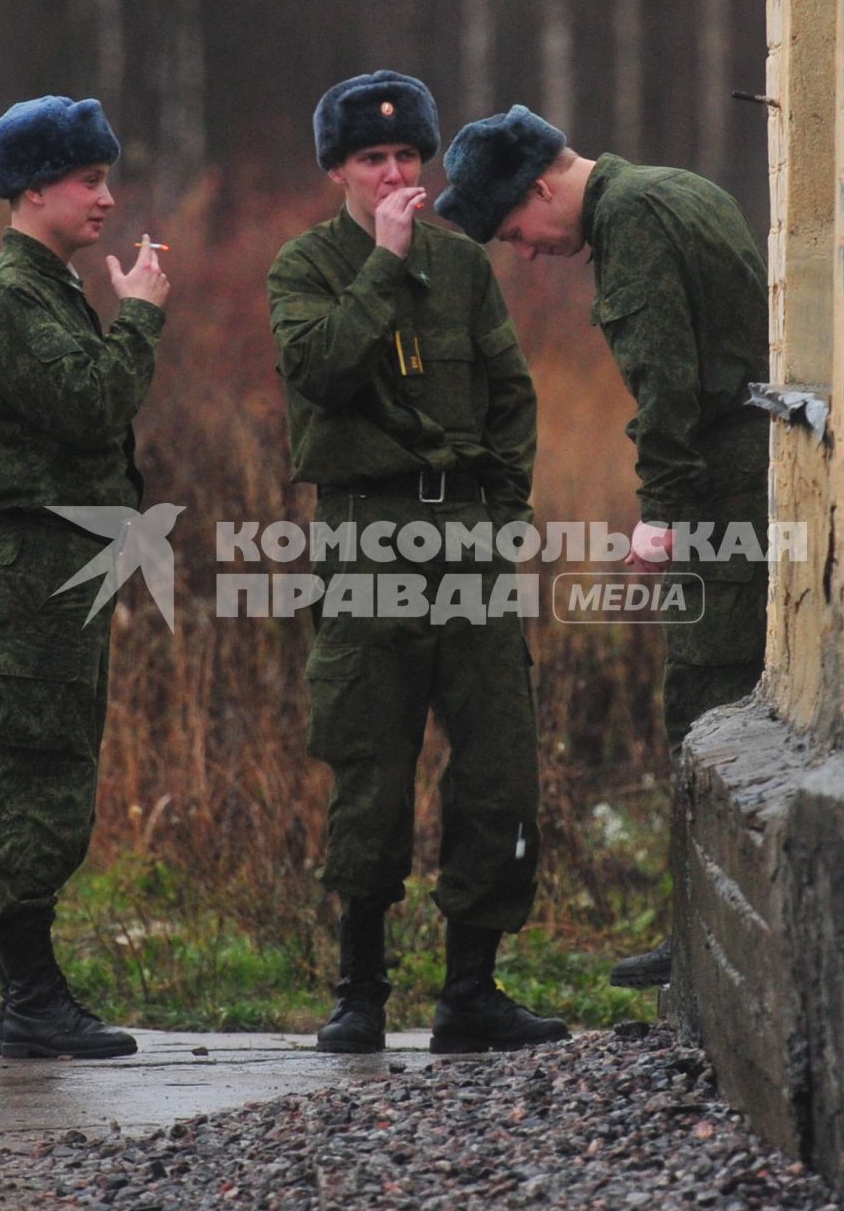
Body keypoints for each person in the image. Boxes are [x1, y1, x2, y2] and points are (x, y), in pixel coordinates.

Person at [435, 106, 770, 990]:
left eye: (517, 229)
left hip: (716, 490)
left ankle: (702, 942)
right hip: (740, 473)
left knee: (703, 702)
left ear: (543, 187)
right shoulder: (676, 188)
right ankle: (701, 932)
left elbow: (667, 371)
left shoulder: (632, 222)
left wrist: (660, 508)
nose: (527, 251)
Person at [267, 70, 567, 1055]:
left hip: (466, 539)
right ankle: (360, 990)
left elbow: (510, 396)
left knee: (495, 764)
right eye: (372, 158)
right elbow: (322, 369)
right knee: (370, 758)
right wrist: (385, 265)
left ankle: (471, 989)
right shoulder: (307, 267)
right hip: (368, 532)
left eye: (407, 155)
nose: (395, 173)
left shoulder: (464, 266)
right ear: (338, 171)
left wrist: (506, 515)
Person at [0, 95, 169, 1059]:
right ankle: (28, 998)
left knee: (58, 764)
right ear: (34, 189)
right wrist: (144, 320)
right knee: (34, 767)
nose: (106, 198)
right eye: (88, 179)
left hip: (67, 555)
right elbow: (89, 404)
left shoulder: (49, 288)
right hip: (37, 558)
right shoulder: (13, 298)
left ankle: (34, 992)